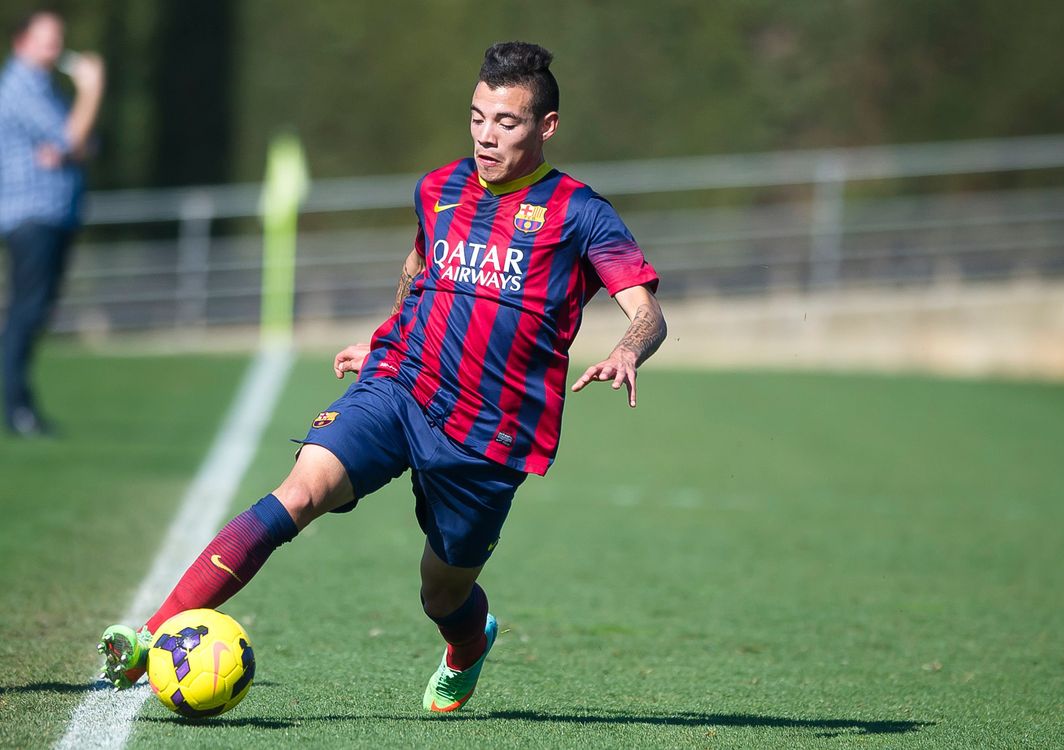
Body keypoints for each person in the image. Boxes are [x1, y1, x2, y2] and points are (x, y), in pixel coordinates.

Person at [99, 41, 666, 713]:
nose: (485, 136)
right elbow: (419, 266)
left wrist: (627, 350)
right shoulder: (439, 188)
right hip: (402, 384)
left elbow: (648, 312)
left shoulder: (579, 212)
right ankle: (149, 637)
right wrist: (383, 336)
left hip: (488, 433)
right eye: (477, 117)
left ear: (546, 126)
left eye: (506, 122)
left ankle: (467, 643)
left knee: (442, 592)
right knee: (300, 493)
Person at [0, 10, 104, 436]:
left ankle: (21, 404)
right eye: (46, 39)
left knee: (36, 311)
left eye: (58, 38)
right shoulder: (19, 86)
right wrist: (92, 90)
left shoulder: (46, 88)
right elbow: (73, 138)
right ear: (21, 42)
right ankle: (17, 409)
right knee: (26, 311)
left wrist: (71, 145)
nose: (55, 47)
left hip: (55, 214)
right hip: (32, 216)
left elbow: (86, 144)